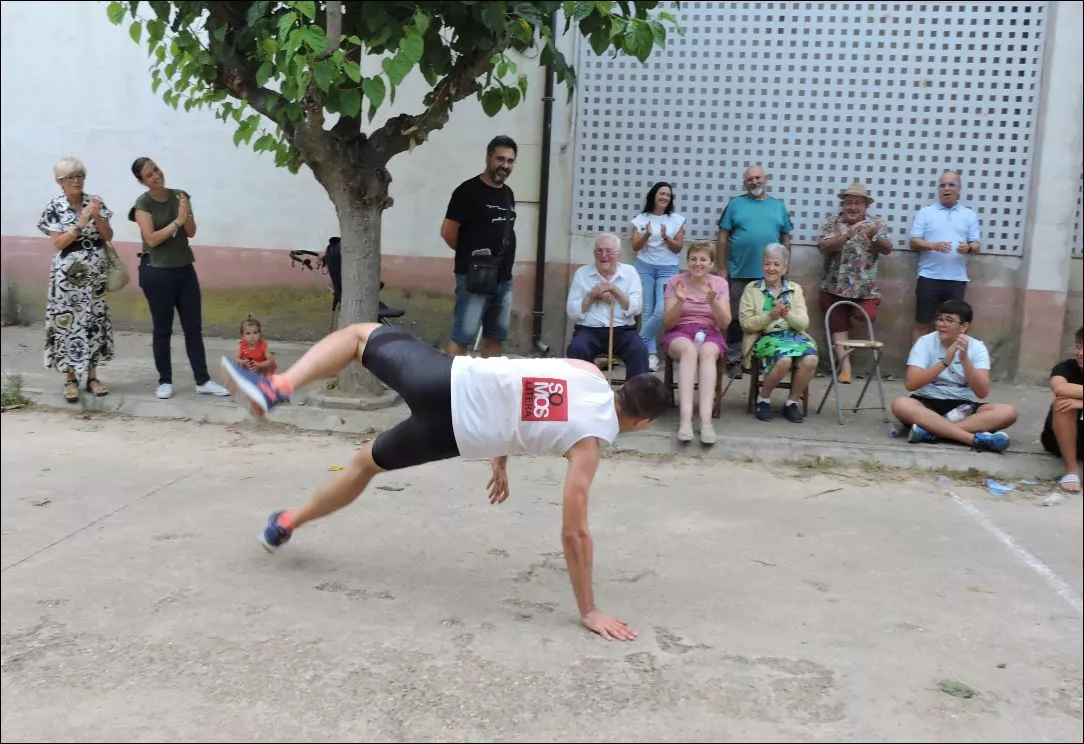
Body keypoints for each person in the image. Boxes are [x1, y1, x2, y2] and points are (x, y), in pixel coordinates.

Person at [218, 323, 670, 641]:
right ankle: (287, 522)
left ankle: (277, 387)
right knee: (364, 465)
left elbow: (525, 379)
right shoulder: (587, 446)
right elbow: (575, 533)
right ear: (643, 422)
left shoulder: (588, 372)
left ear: (624, 385)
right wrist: (589, 610)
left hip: (447, 381)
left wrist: (504, 451)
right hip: (455, 434)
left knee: (359, 337)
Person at [129, 157, 230, 400]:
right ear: (142, 181)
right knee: (162, 329)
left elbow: (191, 232)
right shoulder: (143, 204)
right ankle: (164, 381)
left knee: (193, 327)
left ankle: (203, 380)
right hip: (157, 271)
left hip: (184, 268)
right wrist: (178, 220)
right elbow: (152, 239)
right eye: (149, 174)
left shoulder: (180, 196)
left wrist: (186, 213)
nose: (156, 175)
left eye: (156, 169)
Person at [37, 156, 116, 403]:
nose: (77, 180)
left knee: (94, 320)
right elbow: (58, 243)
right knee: (68, 322)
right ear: (59, 181)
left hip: (95, 274)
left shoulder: (94, 201)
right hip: (67, 277)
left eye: (80, 175)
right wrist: (80, 225)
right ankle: (71, 379)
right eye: (71, 177)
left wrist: (98, 217)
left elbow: (108, 235)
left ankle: (92, 376)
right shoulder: (54, 206)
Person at [890, 299, 1017, 452]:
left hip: (962, 407)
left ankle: (932, 433)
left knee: (1008, 412)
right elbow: (911, 384)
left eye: (949, 320)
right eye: (940, 319)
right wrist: (945, 361)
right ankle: (972, 439)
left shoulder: (977, 347)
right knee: (901, 404)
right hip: (927, 403)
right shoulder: (925, 342)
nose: (942, 324)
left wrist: (964, 360)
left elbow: (982, 392)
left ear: (964, 327)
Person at [440, 135, 518, 358]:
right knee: (462, 338)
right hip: (474, 277)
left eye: (510, 161)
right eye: (500, 159)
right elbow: (448, 232)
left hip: (503, 279)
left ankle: (489, 380)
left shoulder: (508, 193)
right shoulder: (467, 191)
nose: (505, 165)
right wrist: (471, 258)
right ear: (488, 158)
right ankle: (449, 380)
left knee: (495, 338)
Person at [715, 164, 793, 379]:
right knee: (736, 319)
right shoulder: (735, 205)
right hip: (739, 271)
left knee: (768, 317)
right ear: (744, 183)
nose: (754, 182)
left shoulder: (778, 206)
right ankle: (733, 360)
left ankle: (761, 360)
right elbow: (722, 237)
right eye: (750, 179)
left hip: (771, 274)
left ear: (766, 179)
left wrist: (785, 268)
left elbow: (786, 238)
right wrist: (721, 268)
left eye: (758, 178)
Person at [817, 180, 892, 383]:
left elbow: (887, 248)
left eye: (857, 203)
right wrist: (846, 236)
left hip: (865, 290)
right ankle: (845, 369)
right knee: (837, 326)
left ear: (866, 206)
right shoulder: (832, 224)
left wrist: (875, 237)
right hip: (833, 287)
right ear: (843, 205)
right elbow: (823, 247)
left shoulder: (875, 224)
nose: (852, 207)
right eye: (849, 202)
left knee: (866, 315)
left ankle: (849, 328)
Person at [738, 243, 818, 424]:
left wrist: (787, 314)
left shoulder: (795, 289)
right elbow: (746, 324)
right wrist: (770, 316)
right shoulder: (752, 288)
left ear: (784, 269)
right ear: (762, 265)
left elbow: (803, 323)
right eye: (767, 263)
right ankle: (763, 399)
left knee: (811, 359)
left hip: (794, 337)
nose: (771, 268)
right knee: (784, 360)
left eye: (776, 264)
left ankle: (791, 403)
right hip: (764, 337)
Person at [660, 240, 731, 444]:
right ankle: (685, 420)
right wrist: (680, 301)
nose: (697, 263)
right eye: (693, 259)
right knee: (689, 351)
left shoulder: (720, 284)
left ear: (711, 263)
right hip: (679, 331)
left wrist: (713, 302)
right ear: (687, 261)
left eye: (703, 259)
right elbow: (667, 323)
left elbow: (724, 323)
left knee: (707, 353)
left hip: (709, 332)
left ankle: (706, 422)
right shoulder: (676, 281)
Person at [907, 169, 982, 344]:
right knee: (922, 323)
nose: (946, 189)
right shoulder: (925, 212)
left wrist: (968, 248)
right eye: (942, 185)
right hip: (929, 277)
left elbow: (976, 244)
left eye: (951, 185)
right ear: (938, 189)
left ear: (959, 189)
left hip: (956, 279)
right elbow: (913, 242)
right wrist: (932, 245)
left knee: (953, 326)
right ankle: (917, 360)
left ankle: (948, 360)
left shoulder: (969, 215)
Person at [565, 233, 648, 378]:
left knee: (639, 351)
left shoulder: (630, 273)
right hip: (589, 330)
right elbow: (572, 312)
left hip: (622, 330)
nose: (604, 255)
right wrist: (591, 296)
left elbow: (637, 307)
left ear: (619, 255)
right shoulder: (582, 273)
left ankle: (634, 392)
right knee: (577, 348)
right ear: (594, 253)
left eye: (609, 251)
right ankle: (583, 390)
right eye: (599, 251)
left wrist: (615, 291)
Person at [629, 181, 686, 371]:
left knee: (661, 310)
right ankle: (650, 355)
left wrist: (665, 237)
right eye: (661, 193)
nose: (664, 197)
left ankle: (638, 342)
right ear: (653, 195)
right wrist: (646, 234)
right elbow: (635, 246)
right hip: (644, 267)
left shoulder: (676, 219)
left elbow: (678, 248)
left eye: (668, 195)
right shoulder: (641, 219)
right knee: (647, 310)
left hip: (668, 268)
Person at [1039, 327, 1082, 493]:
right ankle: (1072, 471)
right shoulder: (1066, 368)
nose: (1080, 353)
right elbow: (1060, 388)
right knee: (1063, 402)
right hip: (1060, 441)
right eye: (1078, 347)